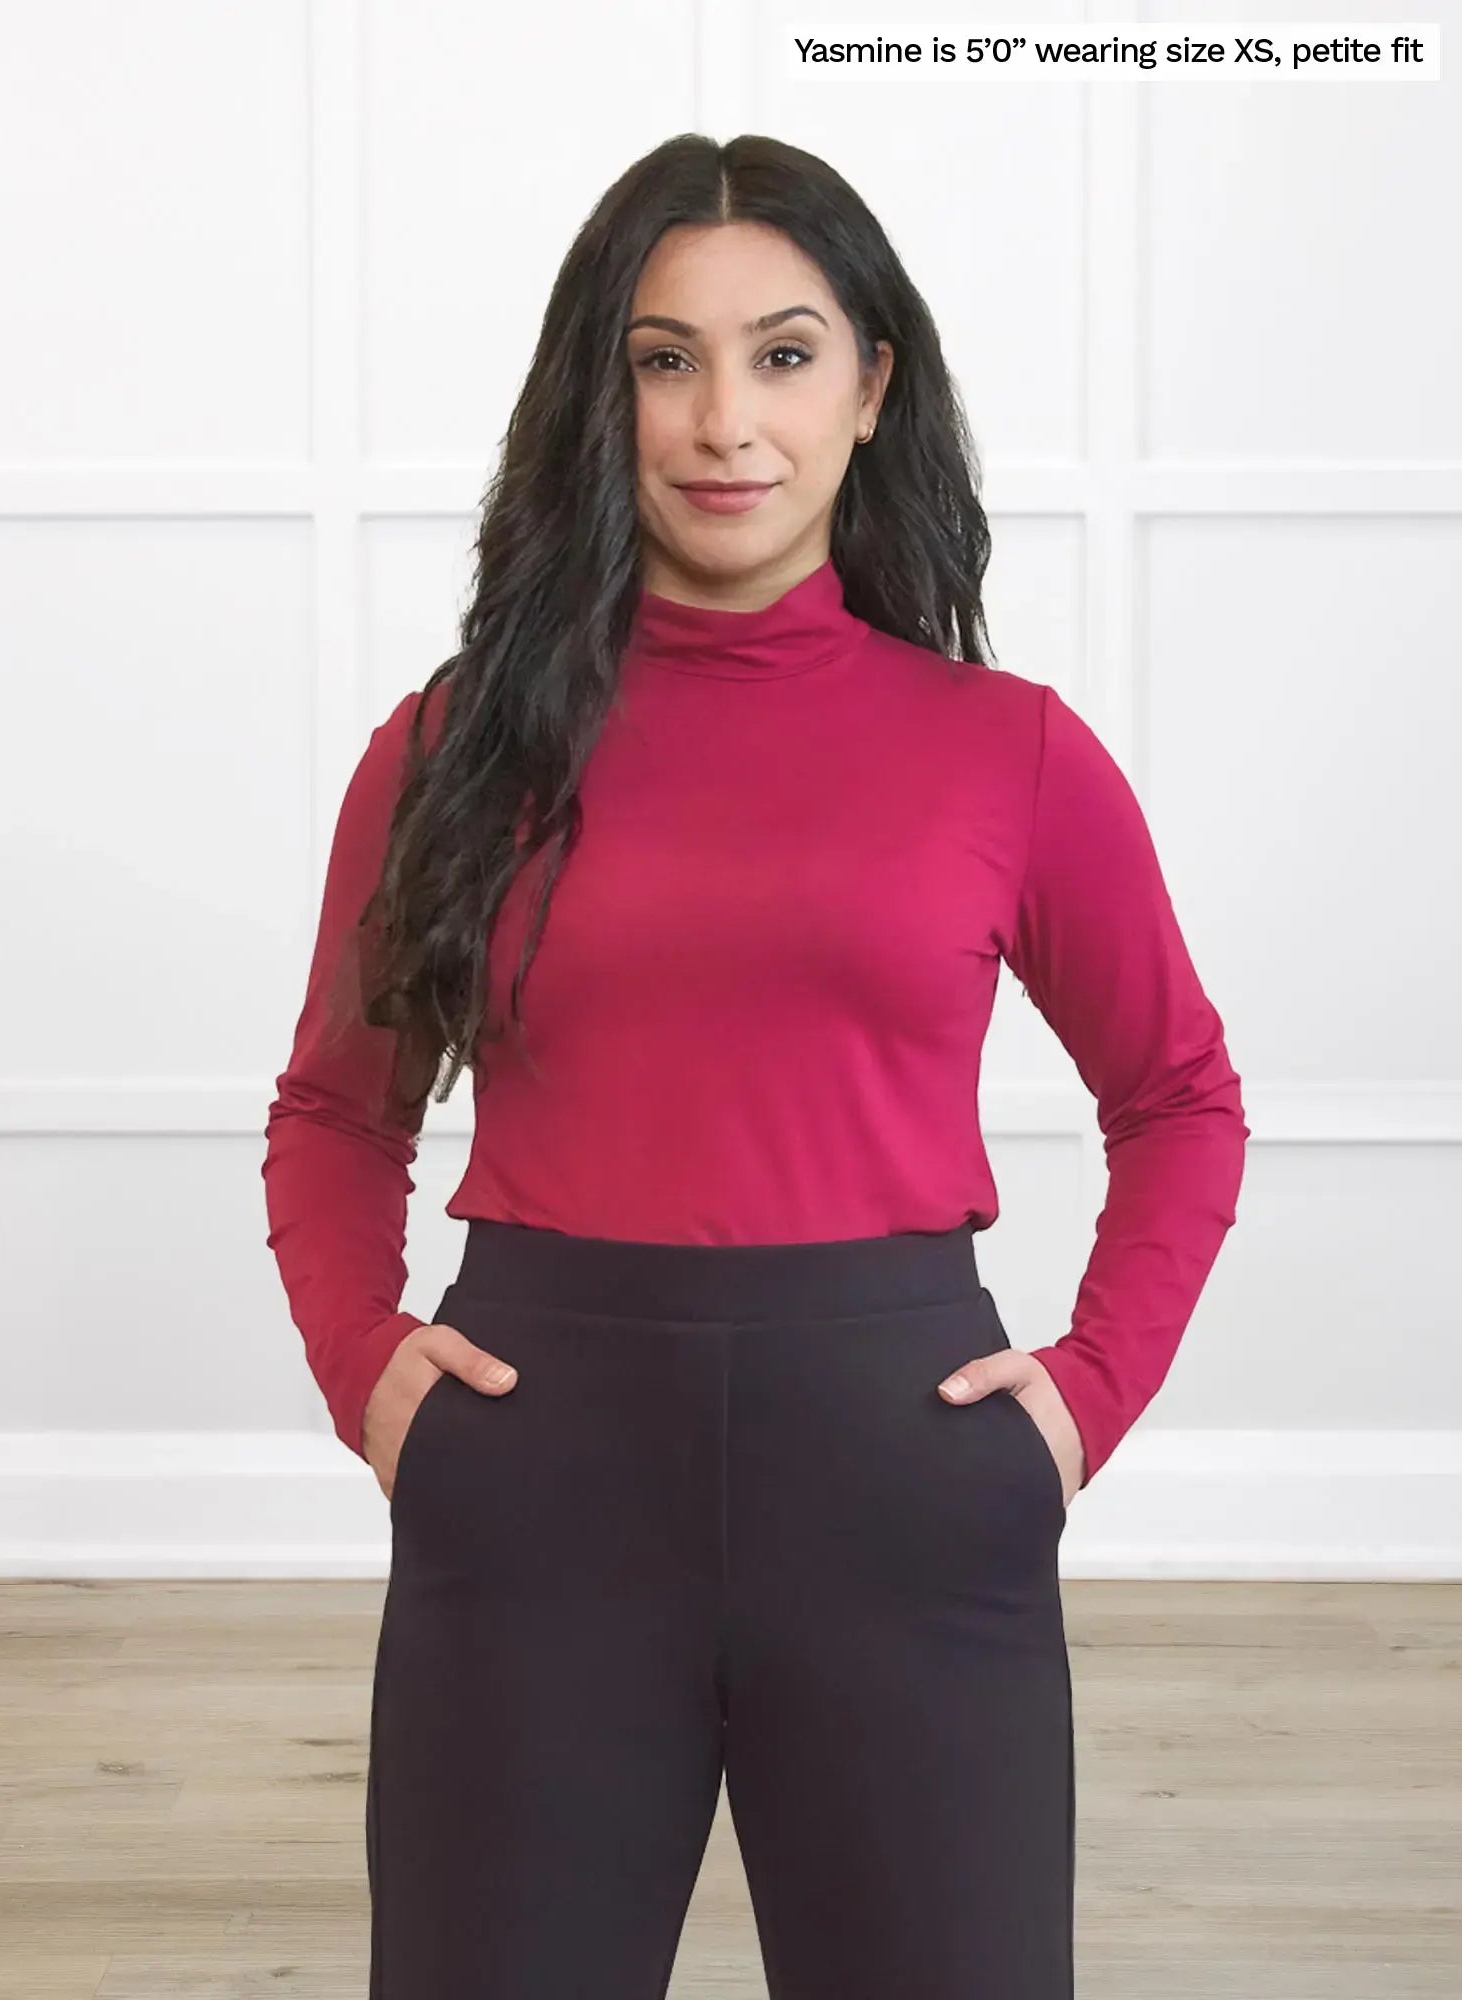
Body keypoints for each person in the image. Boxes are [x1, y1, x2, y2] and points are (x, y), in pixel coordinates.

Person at [262, 131, 1248, 2000]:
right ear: (599, 393)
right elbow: (337, 1108)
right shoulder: (455, 746)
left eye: (785, 354)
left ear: (874, 388)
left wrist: (1083, 1402)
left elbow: (1181, 1099)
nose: (726, 420)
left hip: (905, 1479)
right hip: (538, 1476)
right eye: (666, 357)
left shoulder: (1008, 753)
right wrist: (366, 1371)